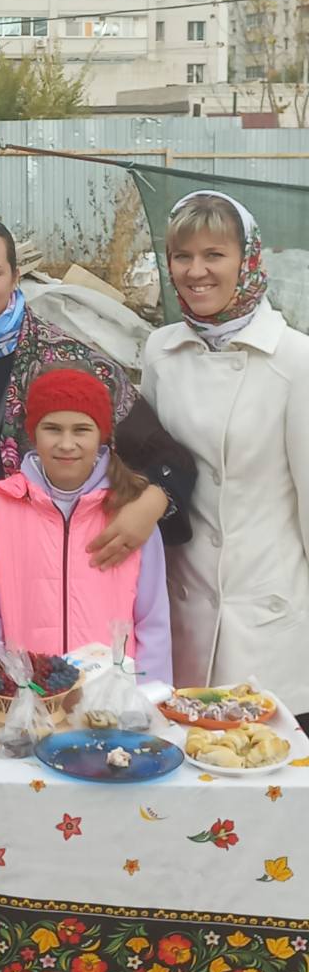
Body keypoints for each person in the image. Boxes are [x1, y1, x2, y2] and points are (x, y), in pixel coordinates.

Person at [0, 214, 194, 692]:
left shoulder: (72, 359)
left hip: (46, 604)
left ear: (16, 277)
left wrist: (150, 506)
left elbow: (167, 459)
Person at [143, 191, 309, 726]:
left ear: (249, 259)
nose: (196, 272)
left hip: (268, 617)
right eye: (182, 256)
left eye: (214, 255)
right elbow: (152, 467)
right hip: (184, 607)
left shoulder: (295, 360)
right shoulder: (160, 351)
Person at [0, 368, 173, 683]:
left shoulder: (131, 511)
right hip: (28, 699)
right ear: (33, 433)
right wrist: (0, 690)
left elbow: (153, 620)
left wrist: (148, 697)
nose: (66, 444)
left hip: (113, 700)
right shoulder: (2, 509)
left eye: (81, 430)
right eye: (52, 428)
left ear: (102, 435)